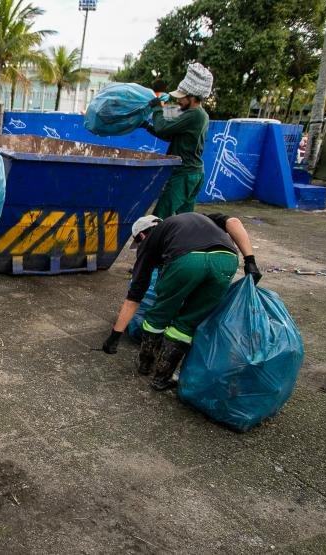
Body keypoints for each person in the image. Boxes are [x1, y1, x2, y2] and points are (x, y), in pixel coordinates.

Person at [101, 213, 262, 391]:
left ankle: (145, 364)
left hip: (186, 261)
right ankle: (162, 378)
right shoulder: (198, 218)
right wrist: (250, 261)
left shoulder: (149, 242)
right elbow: (234, 221)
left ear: (141, 236)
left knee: (159, 315)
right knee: (187, 322)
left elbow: (134, 298)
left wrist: (114, 337)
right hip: (226, 260)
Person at [142, 63, 212, 219]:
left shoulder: (194, 115)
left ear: (192, 97)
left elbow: (162, 127)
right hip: (193, 174)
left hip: (185, 175)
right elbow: (168, 134)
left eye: (182, 98)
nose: (178, 101)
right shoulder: (195, 114)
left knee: (159, 217)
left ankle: (148, 242)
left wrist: (157, 108)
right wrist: (147, 125)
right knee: (185, 220)